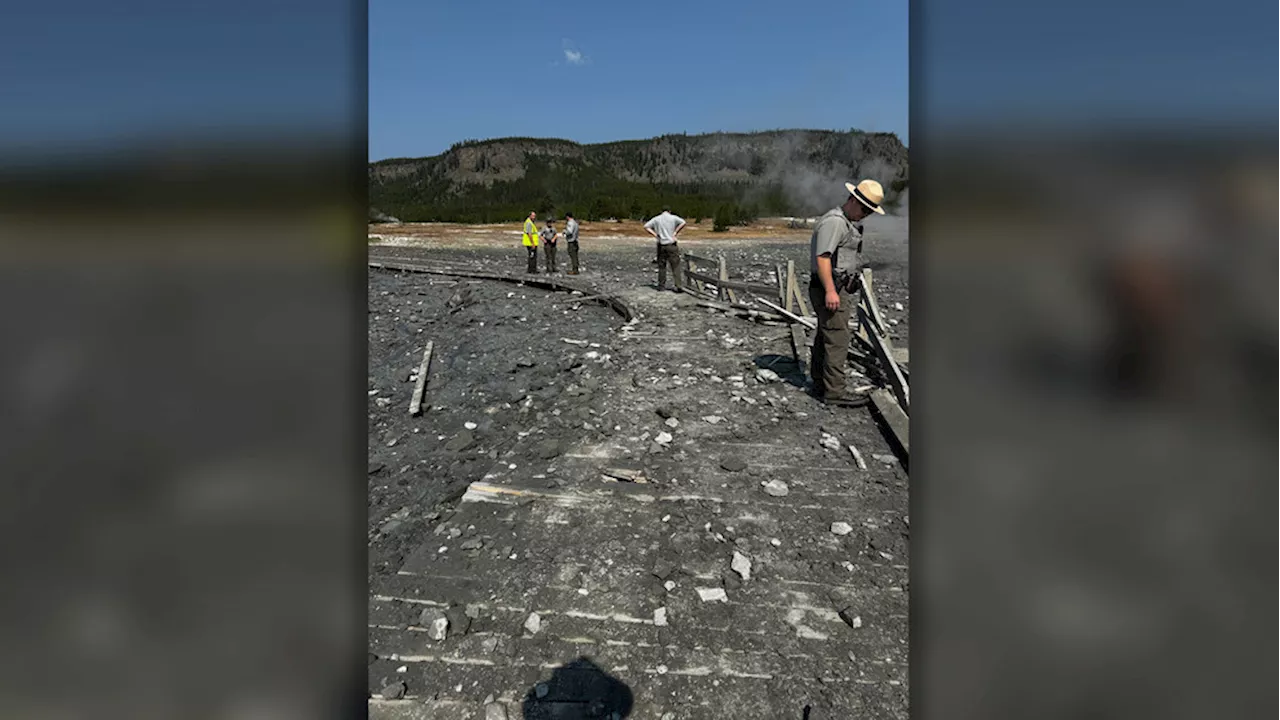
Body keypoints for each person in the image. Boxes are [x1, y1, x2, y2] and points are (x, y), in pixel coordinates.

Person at [808, 179, 885, 407]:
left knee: (827, 335)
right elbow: (823, 258)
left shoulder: (846, 223)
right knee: (838, 338)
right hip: (829, 288)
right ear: (853, 200)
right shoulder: (835, 223)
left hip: (834, 286)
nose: (865, 214)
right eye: (864, 209)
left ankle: (821, 383)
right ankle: (835, 392)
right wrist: (831, 290)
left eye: (869, 211)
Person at [643, 206, 686, 291]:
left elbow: (646, 226)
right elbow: (683, 222)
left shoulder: (657, 219)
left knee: (662, 266)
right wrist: (675, 232)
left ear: (661, 211)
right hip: (671, 243)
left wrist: (655, 234)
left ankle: (661, 286)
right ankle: (678, 285)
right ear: (669, 211)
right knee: (675, 265)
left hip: (661, 244)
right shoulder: (673, 218)